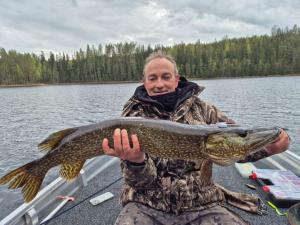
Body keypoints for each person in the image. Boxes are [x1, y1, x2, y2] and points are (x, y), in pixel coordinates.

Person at [102, 51, 290, 225]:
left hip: (201, 205)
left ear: (176, 79)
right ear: (144, 82)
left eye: (166, 77)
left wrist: (270, 148)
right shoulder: (132, 116)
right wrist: (136, 162)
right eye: (153, 78)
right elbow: (139, 184)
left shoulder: (205, 111)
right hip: (146, 205)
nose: (160, 84)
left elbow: (233, 147)